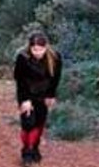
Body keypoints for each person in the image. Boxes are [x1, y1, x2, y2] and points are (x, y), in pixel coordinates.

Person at [14, 32, 63, 165]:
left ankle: (34, 147)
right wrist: (25, 99)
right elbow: (20, 80)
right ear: (30, 47)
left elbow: (55, 78)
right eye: (34, 49)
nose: (37, 52)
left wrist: (51, 95)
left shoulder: (55, 57)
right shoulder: (22, 58)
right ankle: (26, 151)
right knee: (28, 123)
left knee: (39, 122)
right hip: (26, 93)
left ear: (46, 47)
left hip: (44, 94)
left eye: (40, 49)